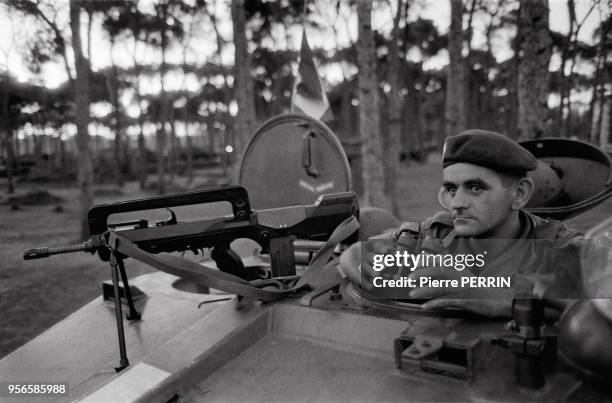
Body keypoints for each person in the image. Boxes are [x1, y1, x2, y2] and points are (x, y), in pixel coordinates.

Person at [339, 129, 584, 317]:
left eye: (475, 188)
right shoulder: (438, 231)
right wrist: (355, 254)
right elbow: (392, 240)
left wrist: (508, 297)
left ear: (519, 193)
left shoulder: (560, 246)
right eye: (451, 189)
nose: (457, 203)